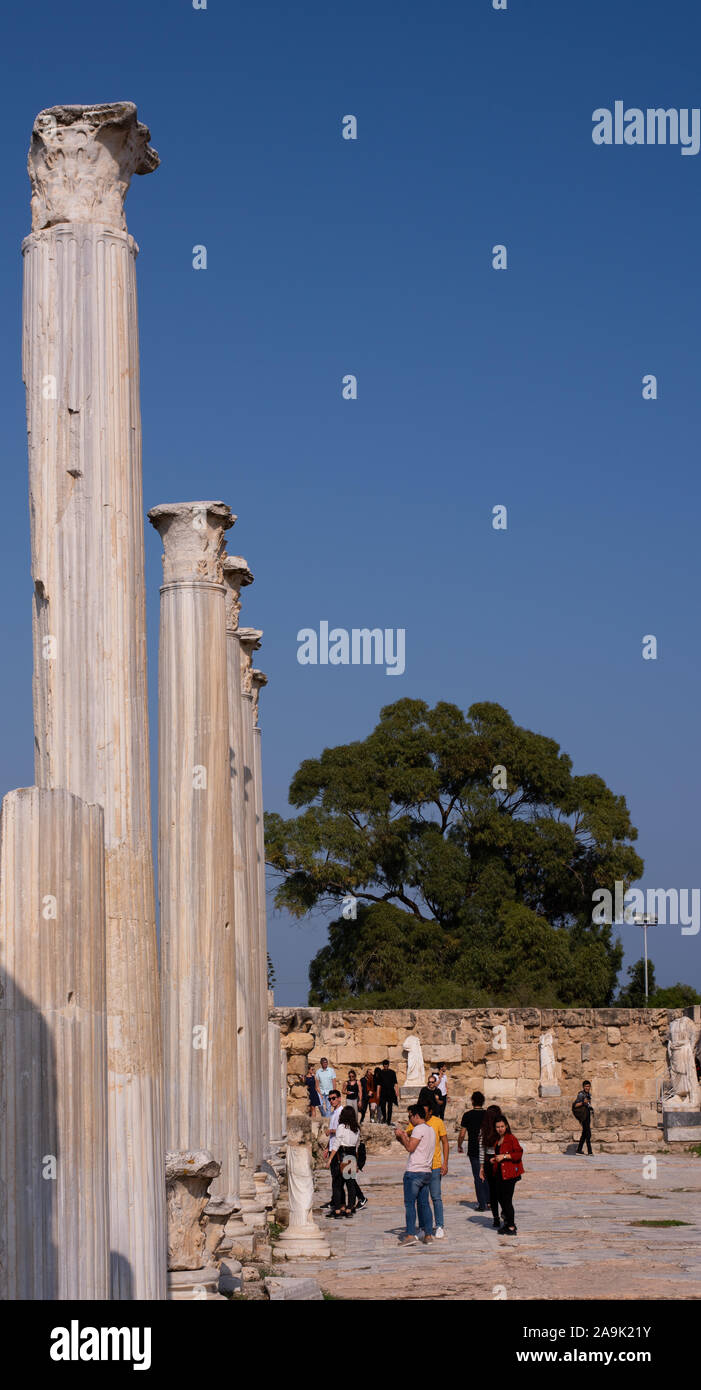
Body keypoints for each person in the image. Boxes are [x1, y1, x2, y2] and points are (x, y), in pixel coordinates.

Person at [394, 1103, 435, 1246]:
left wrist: (402, 1136)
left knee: (410, 1204)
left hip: (415, 1172)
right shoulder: (430, 1130)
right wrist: (403, 1137)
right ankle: (428, 1234)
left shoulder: (418, 1129)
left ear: (416, 1115)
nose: (409, 1119)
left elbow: (410, 1147)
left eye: (410, 1116)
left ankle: (411, 1234)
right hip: (426, 1171)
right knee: (424, 1204)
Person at [407, 1100, 448, 1239]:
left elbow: (445, 1141)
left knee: (436, 1197)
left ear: (430, 1111)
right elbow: (410, 1137)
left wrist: (445, 1162)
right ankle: (424, 1228)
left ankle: (440, 1225)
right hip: (423, 1167)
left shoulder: (437, 1122)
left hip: (435, 1165)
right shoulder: (416, 1124)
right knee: (422, 1200)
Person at [490, 1115, 523, 1236]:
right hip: (500, 1174)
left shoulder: (511, 1138)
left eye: (502, 1126)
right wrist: (495, 1159)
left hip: (509, 1174)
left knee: (506, 1200)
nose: (500, 1129)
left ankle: (511, 1226)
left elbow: (518, 1153)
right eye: (497, 1127)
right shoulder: (498, 1139)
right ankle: (508, 1221)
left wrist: (504, 1156)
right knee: (500, 1197)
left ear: (507, 1126)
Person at [458, 1090, 489, 1211]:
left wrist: (459, 1145)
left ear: (472, 1101)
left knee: (477, 1176)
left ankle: (482, 1204)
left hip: (473, 1148)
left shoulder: (467, 1115)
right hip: (487, 1148)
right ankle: (489, 1201)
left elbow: (462, 1134)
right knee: (487, 1174)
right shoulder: (488, 1115)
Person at [478, 1104, 505, 1228]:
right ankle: (504, 1211)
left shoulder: (484, 1130)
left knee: (493, 1192)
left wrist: (482, 1167)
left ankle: (495, 1218)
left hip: (489, 1161)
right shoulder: (501, 1129)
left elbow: (481, 1150)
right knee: (503, 1190)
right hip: (500, 1160)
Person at [335, 1105, 363, 1216]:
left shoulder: (341, 1127)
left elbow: (337, 1143)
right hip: (351, 1157)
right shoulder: (356, 1129)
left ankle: (338, 1208)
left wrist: (331, 1158)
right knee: (350, 1183)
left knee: (338, 1183)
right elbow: (357, 1146)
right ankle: (349, 1208)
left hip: (342, 1155)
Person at [323, 1089, 346, 1214]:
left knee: (338, 1179)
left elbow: (342, 1131)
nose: (331, 1101)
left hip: (338, 1149)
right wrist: (327, 1147)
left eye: (333, 1098)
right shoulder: (333, 1113)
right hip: (332, 1147)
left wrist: (331, 1131)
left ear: (339, 1098)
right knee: (335, 1178)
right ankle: (337, 1202)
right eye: (329, 1099)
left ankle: (339, 1205)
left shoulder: (341, 1112)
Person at [374, 1059, 399, 1126]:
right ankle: (384, 1117)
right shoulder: (380, 1073)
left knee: (390, 1107)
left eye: (387, 1065)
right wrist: (378, 1094)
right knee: (382, 1106)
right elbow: (378, 1084)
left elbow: (395, 1083)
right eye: (384, 1065)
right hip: (383, 1092)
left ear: (388, 1065)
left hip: (390, 1091)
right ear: (383, 1065)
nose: (386, 1066)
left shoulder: (392, 1072)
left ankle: (388, 1120)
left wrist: (397, 1092)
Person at [574, 1080, 594, 1155]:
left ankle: (579, 1150)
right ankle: (590, 1151)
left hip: (587, 1114)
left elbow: (588, 1104)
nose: (587, 1088)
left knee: (584, 1133)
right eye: (586, 1086)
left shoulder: (588, 1094)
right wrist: (583, 1102)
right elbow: (575, 1105)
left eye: (588, 1086)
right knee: (588, 1133)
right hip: (583, 1116)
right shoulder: (581, 1094)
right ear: (583, 1087)